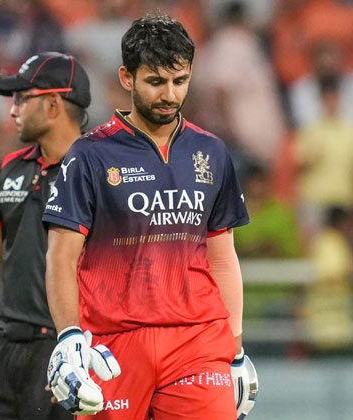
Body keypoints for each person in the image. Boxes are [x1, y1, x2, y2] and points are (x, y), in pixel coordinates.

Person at [42, 13, 258, 420]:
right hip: (113, 347)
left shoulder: (211, 152)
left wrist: (235, 351)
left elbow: (222, 258)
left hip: (198, 342)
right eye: (155, 81)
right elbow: (60, 257)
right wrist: (68, 337)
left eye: (180, 81)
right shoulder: (89, 156)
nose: (170, 95)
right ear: (127, 78)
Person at [0, 51, 91, 420]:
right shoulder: (7, 169)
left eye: (21, 98)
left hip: (65, 350)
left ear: (52, 105)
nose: (12, 110)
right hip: (2, 348)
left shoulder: (99, 173)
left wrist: (79, 353)